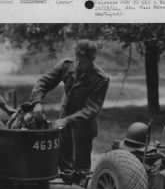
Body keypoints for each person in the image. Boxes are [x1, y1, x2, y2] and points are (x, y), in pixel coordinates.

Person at [30, 40, 110, 174]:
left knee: (82, 168)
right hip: (64, 118)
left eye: (83, 61)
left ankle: (81, 187)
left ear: (92, 59)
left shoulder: (101, 79)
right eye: (77, 59)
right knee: (63, 160)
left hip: (83, 124)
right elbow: (44, 81)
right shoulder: (66, 66)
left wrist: (66, 121)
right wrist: (37, 102)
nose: (78, 64)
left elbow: (91, 109)